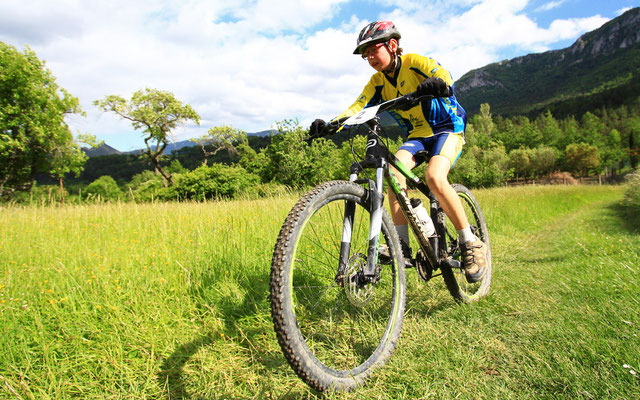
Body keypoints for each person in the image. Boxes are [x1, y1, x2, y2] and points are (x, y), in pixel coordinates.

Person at [309, 21, 487, 283]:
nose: (369, 58)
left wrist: (436, 84)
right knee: (393, 174)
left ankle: (470, 243)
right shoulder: (377, 82)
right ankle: (400, 244)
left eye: (373, 50)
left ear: (392, 45)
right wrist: (330, 125)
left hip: (448, 129)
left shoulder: (414, 62)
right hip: (417, 136)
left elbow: (443, 74)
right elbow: (357, 108)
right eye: (365, 54)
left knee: (435, 178)